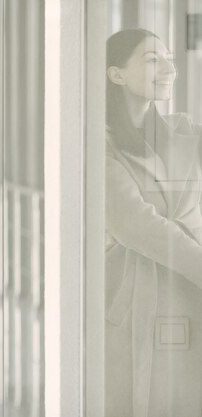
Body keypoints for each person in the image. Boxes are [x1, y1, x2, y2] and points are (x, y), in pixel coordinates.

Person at [105, 28, 202, 417]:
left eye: (169, 60)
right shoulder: (100, 144)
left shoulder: (182, 130)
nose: (168, 69)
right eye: (152, 59)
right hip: (135, 296)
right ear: (117, 74)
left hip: (189, 287)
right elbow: (135, 224)